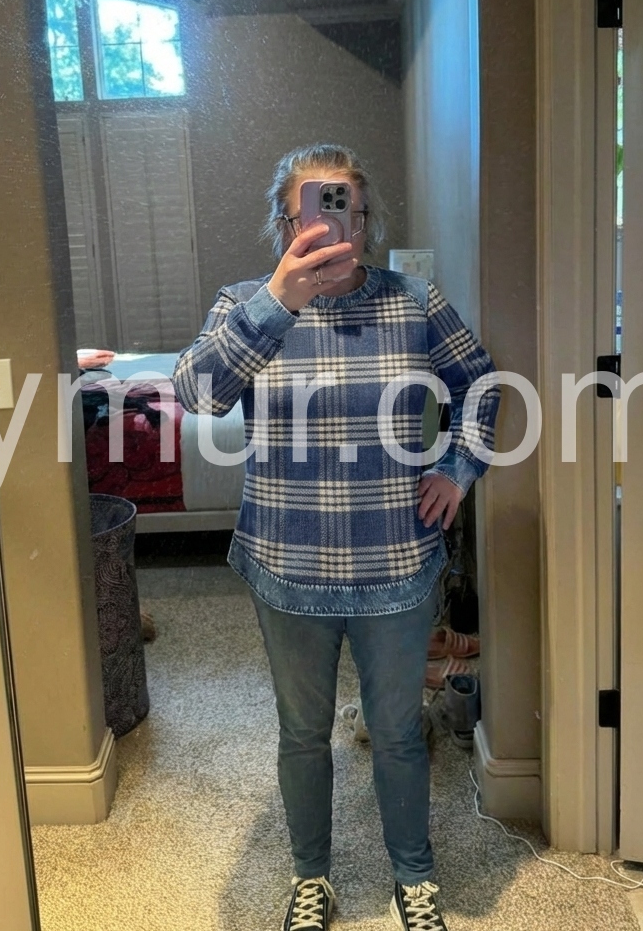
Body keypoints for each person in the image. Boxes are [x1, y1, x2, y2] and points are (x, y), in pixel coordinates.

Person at [173, 144, 500, 931]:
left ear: (364, 217)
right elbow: (197, 395)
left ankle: (414, 879)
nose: (329, 222)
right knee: (302, 735)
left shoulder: (413, 301)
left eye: (344, 206)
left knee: (397, 733)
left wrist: (457, 469)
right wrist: (278, 301)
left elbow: (481, 384)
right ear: (286, 223)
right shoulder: (245, 303)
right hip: (288, 564)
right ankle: (310, 877)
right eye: (311, 210)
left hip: (396, 560)